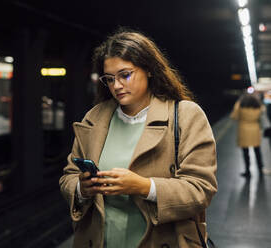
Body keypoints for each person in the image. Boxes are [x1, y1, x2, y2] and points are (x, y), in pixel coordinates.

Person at [59, 29, 217, 248]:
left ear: (149, 70)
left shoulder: (186, 115)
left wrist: (144, 186)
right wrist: (81, 188)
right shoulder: (95, 118)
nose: (116, 86)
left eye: (125, 75)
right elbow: (68, 177)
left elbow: (201, 189)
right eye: (109, 79)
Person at [230, 92, 264, 177]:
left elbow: (234, 116)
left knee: (246, 152)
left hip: (243, 130)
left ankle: (247, 171)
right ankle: (260, 169)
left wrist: (238, 104)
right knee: (257, 151)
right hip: (255, 130)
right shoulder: (258, 105)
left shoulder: (240, 105)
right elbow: (262, 113)